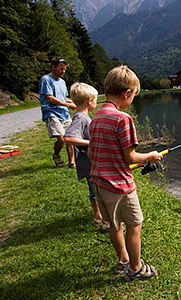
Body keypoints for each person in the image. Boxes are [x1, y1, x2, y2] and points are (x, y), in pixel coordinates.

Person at [89, 65, 162, 281]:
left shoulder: (96, 118)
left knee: (114, 224)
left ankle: (123, 260)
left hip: (99, 184)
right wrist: (151, 156)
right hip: (119, 186)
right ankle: (136, 268)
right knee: (134, 225)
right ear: (127, 93)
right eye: (133, 97)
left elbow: (93, 153)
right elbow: (131, 157)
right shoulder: (123, 119)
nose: (132, 102)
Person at [63, 82, 109, 233]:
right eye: (95, 100)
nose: (96, 102)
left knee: (95, 188)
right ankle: (98, 217)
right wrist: (92, 142)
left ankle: (100, 215)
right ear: (89, 101)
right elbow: (68, 138)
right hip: (88, 162)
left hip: (90, 161)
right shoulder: (81, 118)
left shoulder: (82, 116)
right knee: (94, 190)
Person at [39, 57, 76, 168]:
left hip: (64, 113)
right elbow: (50, 98)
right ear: (53, 67)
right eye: (60, 69)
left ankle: (72, 162)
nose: (63, 71)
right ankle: (56, 154)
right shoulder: (46, 79)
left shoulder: (63, 82)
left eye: (64, 69)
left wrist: (75, 102)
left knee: (70, 138)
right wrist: (68, 105)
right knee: (61, 138)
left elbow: (63, 98)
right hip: (51, 112)